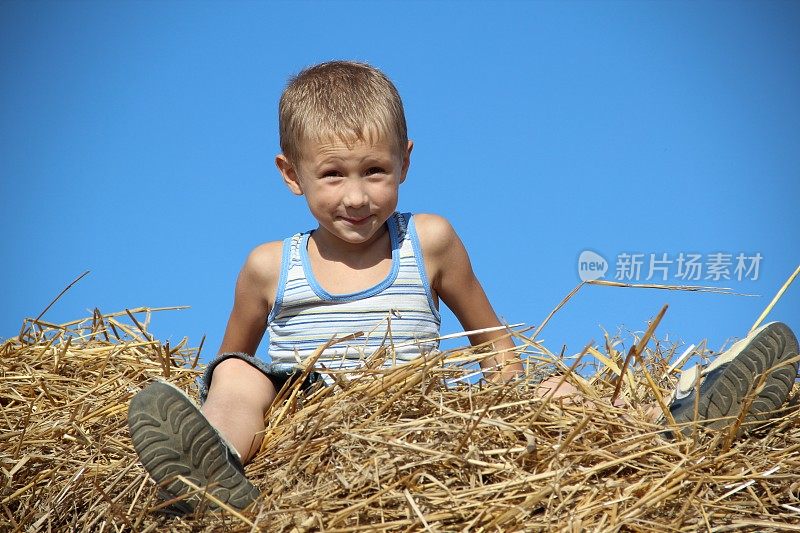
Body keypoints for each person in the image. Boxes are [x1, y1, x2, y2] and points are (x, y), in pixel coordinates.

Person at [127, 61, 799, 512]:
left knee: (556, 386)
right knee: (240, 381)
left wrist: (521, 400)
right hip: (311, 408)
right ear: (290, 175)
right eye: (332, 174)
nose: (358, 196)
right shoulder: (270, 264)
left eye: (376, 170)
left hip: (423, 412)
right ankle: (211, 467)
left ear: (406, 162)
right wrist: (223, 399)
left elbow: (493, 341)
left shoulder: (432, 240)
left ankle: (671, 425)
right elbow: (227, 360)